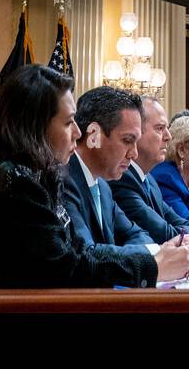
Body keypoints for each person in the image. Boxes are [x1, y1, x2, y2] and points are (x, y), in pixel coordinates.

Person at [0, 64, 189, 288]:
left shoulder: (37, 178)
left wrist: (155, 258)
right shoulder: (14, 183)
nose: (78, 131)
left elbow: (78, 250)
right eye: (69, 122)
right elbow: (68, 269)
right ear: (37, 125)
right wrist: (153, 266)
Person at [112, 96, 189, 245]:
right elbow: (165, 234)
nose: (168, 136)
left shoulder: (149, 180)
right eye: (160, 128)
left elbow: (181, 225)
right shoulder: (127, 179)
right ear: (137, 133)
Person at [62, 87, 158, 252]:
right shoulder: (63, 180)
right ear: (94, 134)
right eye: (127, 140)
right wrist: (155, 255)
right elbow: (87, 253)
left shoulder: (103, 186)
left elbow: (138, 235)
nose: (134, 154)